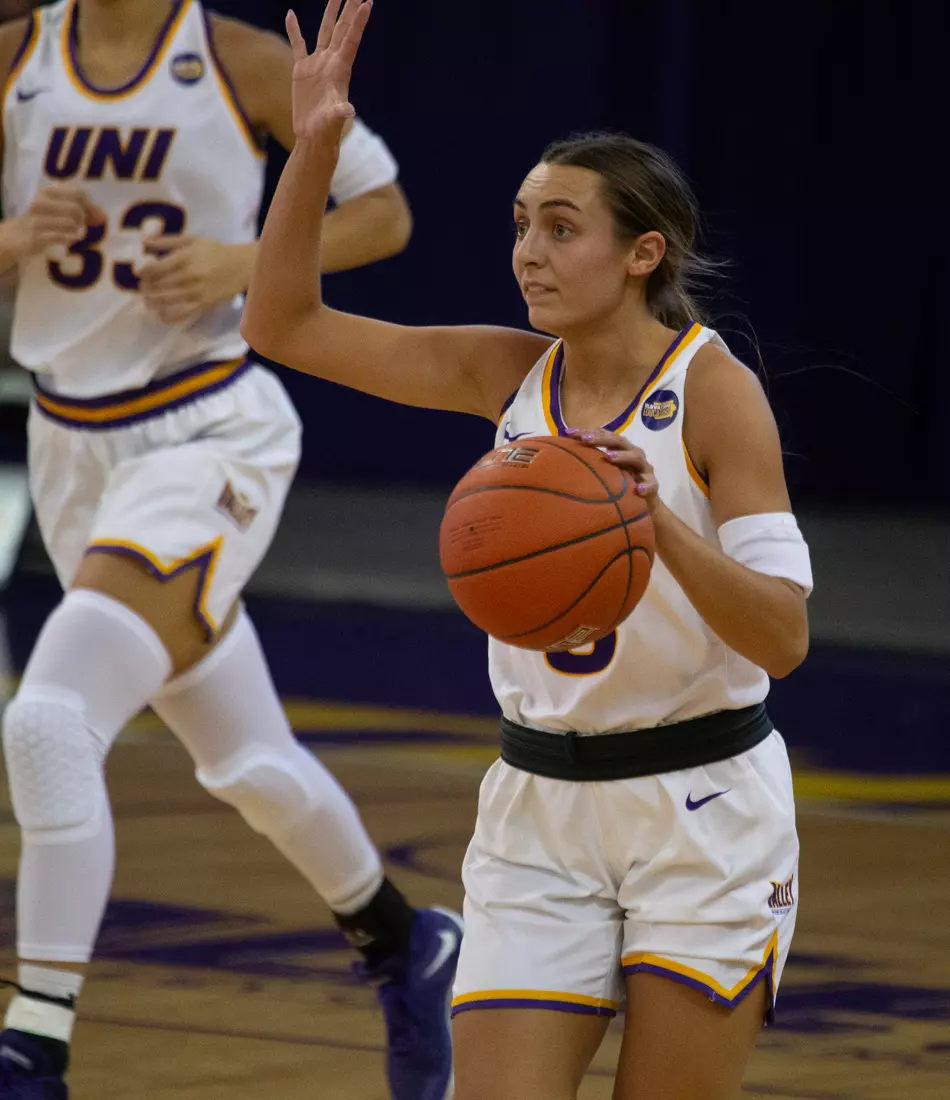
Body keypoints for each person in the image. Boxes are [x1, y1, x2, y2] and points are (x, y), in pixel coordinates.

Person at [242, 3, 815, 1099]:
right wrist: (311, 144)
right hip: (535, 805)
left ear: (643, 252)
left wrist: (654, 528)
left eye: (561, 227)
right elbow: (282, 325)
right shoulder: (507, 374)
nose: (527, 253)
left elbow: (782, 635)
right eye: (518, 224)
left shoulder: (714, 394)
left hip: (701, 804)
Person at [0, 2, 463, 1098]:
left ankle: (33, 1044)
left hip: (208, 432)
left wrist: (242, 260)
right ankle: (406, 945)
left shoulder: (242, 59)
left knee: (49, 719)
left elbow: (383, 213)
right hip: (69, 447)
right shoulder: (17, 53)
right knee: (246, 765)